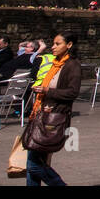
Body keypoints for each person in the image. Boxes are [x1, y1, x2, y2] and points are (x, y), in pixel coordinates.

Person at [25, 32, 81, 187]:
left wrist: (46, 91)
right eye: (53, 44)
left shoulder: (72, 65)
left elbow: (72, 92)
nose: (53, 47)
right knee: (32, 162)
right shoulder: (56, 63)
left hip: (53, 117)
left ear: (69, 45)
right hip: (40, 113)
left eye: (58, 44)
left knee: (34, 165)